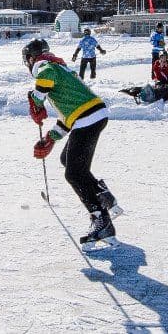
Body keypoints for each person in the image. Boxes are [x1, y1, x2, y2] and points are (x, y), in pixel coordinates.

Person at [22, 39, 120, 250]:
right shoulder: (61, 70)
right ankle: (103, 195)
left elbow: (44, 78)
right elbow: (67, 118)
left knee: (74, 174)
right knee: (67, 160)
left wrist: (36, 100)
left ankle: (101, 221)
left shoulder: (45, 66)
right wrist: (50, 139)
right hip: (91, 115)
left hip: (88, 118)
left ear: (31, 58)